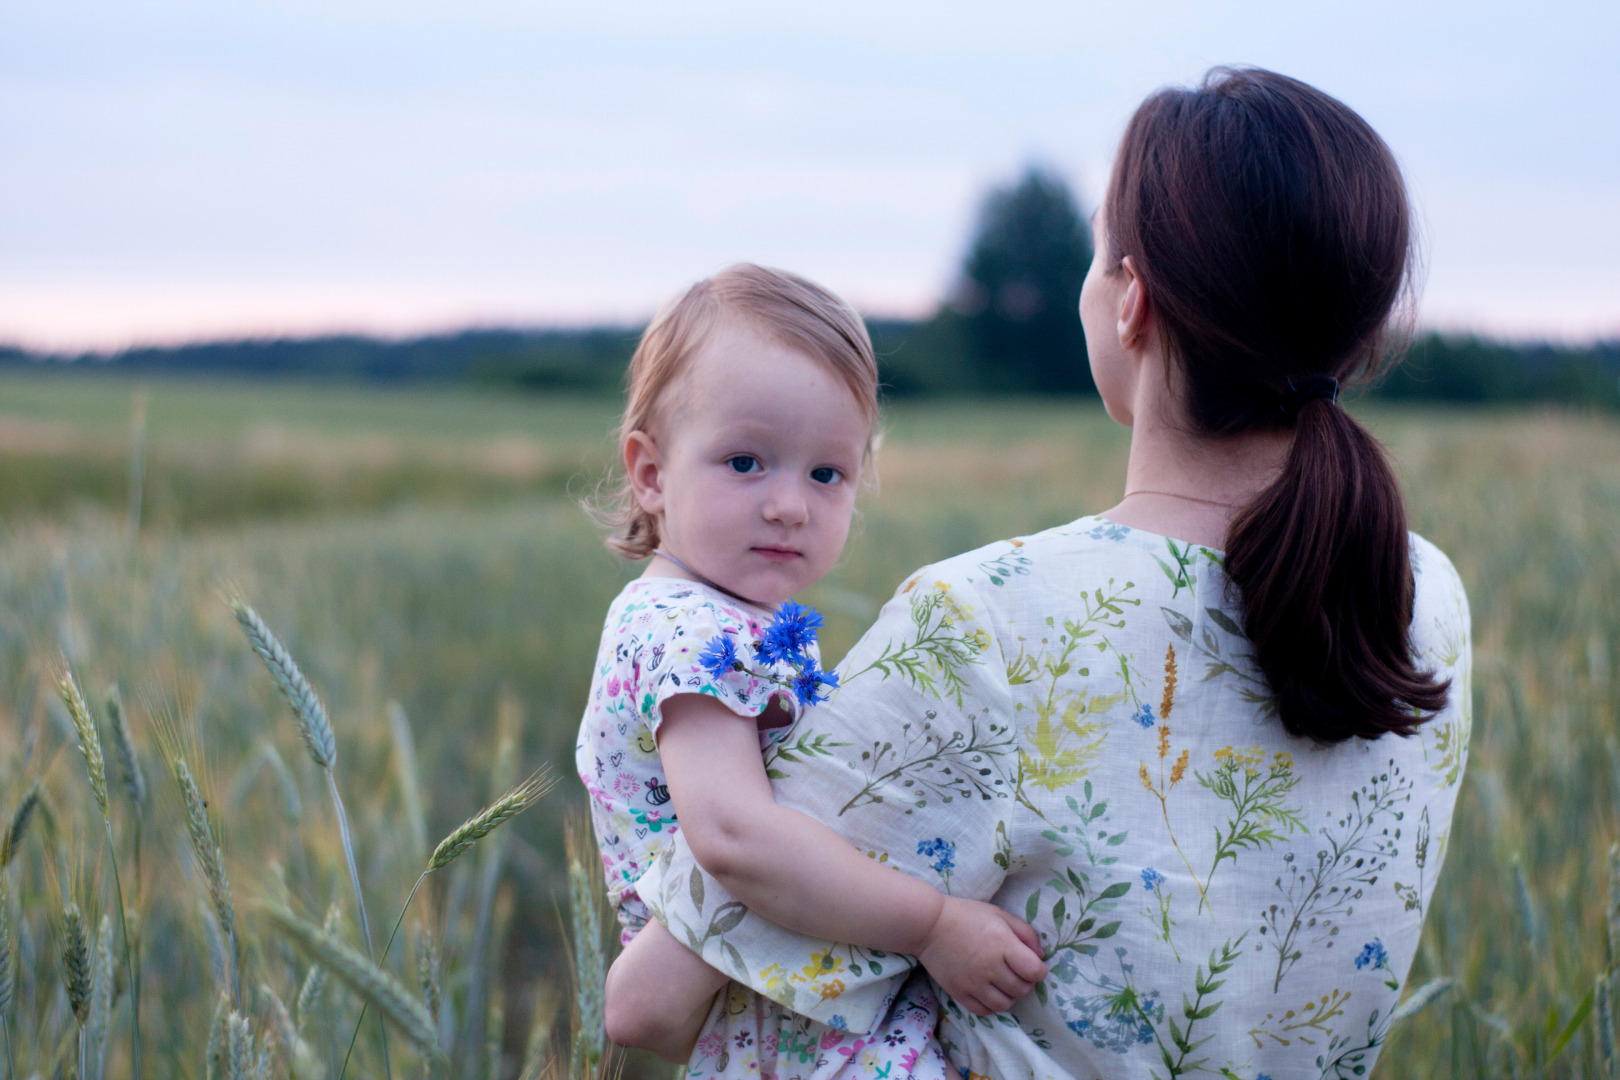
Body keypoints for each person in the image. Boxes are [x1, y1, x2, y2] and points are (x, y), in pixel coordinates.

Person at [615, 68, 1473, 1079]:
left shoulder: (993, 625)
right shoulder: (1424, 596)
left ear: (1133, 302)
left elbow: (653, 1005)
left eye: (1097, 254)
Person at [574, 264, 1050, 1077]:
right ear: (651, 474)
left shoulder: (724, 621)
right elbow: (735, 837)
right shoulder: (689, 632)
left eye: (826, 473)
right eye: (746, 462)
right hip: (783, 1026)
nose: (791, 504)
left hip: (782, 1000)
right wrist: (934, 925)